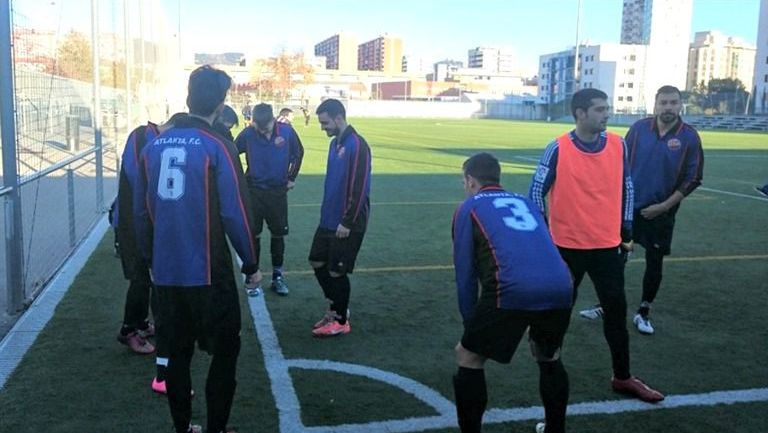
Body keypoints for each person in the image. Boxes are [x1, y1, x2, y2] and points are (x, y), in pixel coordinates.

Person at [135, 65, 261, 433]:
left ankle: (183, 427)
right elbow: (235, 212)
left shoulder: (153, 146)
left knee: (177, 356)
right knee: (225, 353)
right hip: (209, 272)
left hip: (167, 275)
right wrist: (250, 262)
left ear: (188, 97)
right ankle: (216, 429)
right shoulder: (218, 144)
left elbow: (140, 214)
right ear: (222, 106)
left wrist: (148, 261)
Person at [528, 88, 664, 403]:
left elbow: (627, 187)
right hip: (566, 248)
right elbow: (536, 192)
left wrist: (626, 230)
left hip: (607, 247)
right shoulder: (557, 148)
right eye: (600, 109)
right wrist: (543, 239)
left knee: (616, 314)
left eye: (607, 108)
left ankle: (623, 377)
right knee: (557, 315)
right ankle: (550, 373)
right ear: (580, 114)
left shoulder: (618, 144)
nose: (607, 114)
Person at [452, 153, 573, 433]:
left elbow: (465, 275)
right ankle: (556, 429)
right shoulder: (528, 203)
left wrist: (470, 324)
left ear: (470, 181)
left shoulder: (468, 207)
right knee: (548, 354)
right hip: (560, 284)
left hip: (512, 288)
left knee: (468, 355)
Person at [579, 85, 704, 335]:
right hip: (628, 211)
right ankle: (607, 303)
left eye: (673, 102)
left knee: (654, 261)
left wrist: (663, 207)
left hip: (661, 214)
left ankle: (643, 311)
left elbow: (693, 178)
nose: (668, 107)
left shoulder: (689, 136)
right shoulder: (638, 129)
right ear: (655, 104)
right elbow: (619, 161)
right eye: (663, 102)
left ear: (680, 105)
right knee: (619, 256)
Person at [113, 112, 187, 394]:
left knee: (152, 276)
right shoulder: (141, 135)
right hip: (132, 222)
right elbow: (137, 174)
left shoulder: (161, 141)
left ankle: (143, 323)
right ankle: (128, 330)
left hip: (148, 220)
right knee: (140, 277)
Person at [309, 98, 371, 337]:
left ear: (338, 118)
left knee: (336, 270)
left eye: (325, 122)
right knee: (316, 260)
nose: (323, 127)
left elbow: (360, 185)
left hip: (347, 222)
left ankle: (341, 319)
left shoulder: (357, 144)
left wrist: (347, 221)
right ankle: (337, 305)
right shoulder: (335, 143)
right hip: (328, 219)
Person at [234, 103, 304, 296]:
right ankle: (253, 277)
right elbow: (231, 153)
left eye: (267, 128)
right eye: (260, 128)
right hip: (254, 192)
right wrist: (240, 179)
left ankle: (278, 277)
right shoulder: (248, 134)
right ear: (254, 123)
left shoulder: (287, 132)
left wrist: (291, 178)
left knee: (278, 234)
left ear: (273, 120)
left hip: (277, 193)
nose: (264, 133)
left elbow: (298, 154)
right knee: (253, 235)